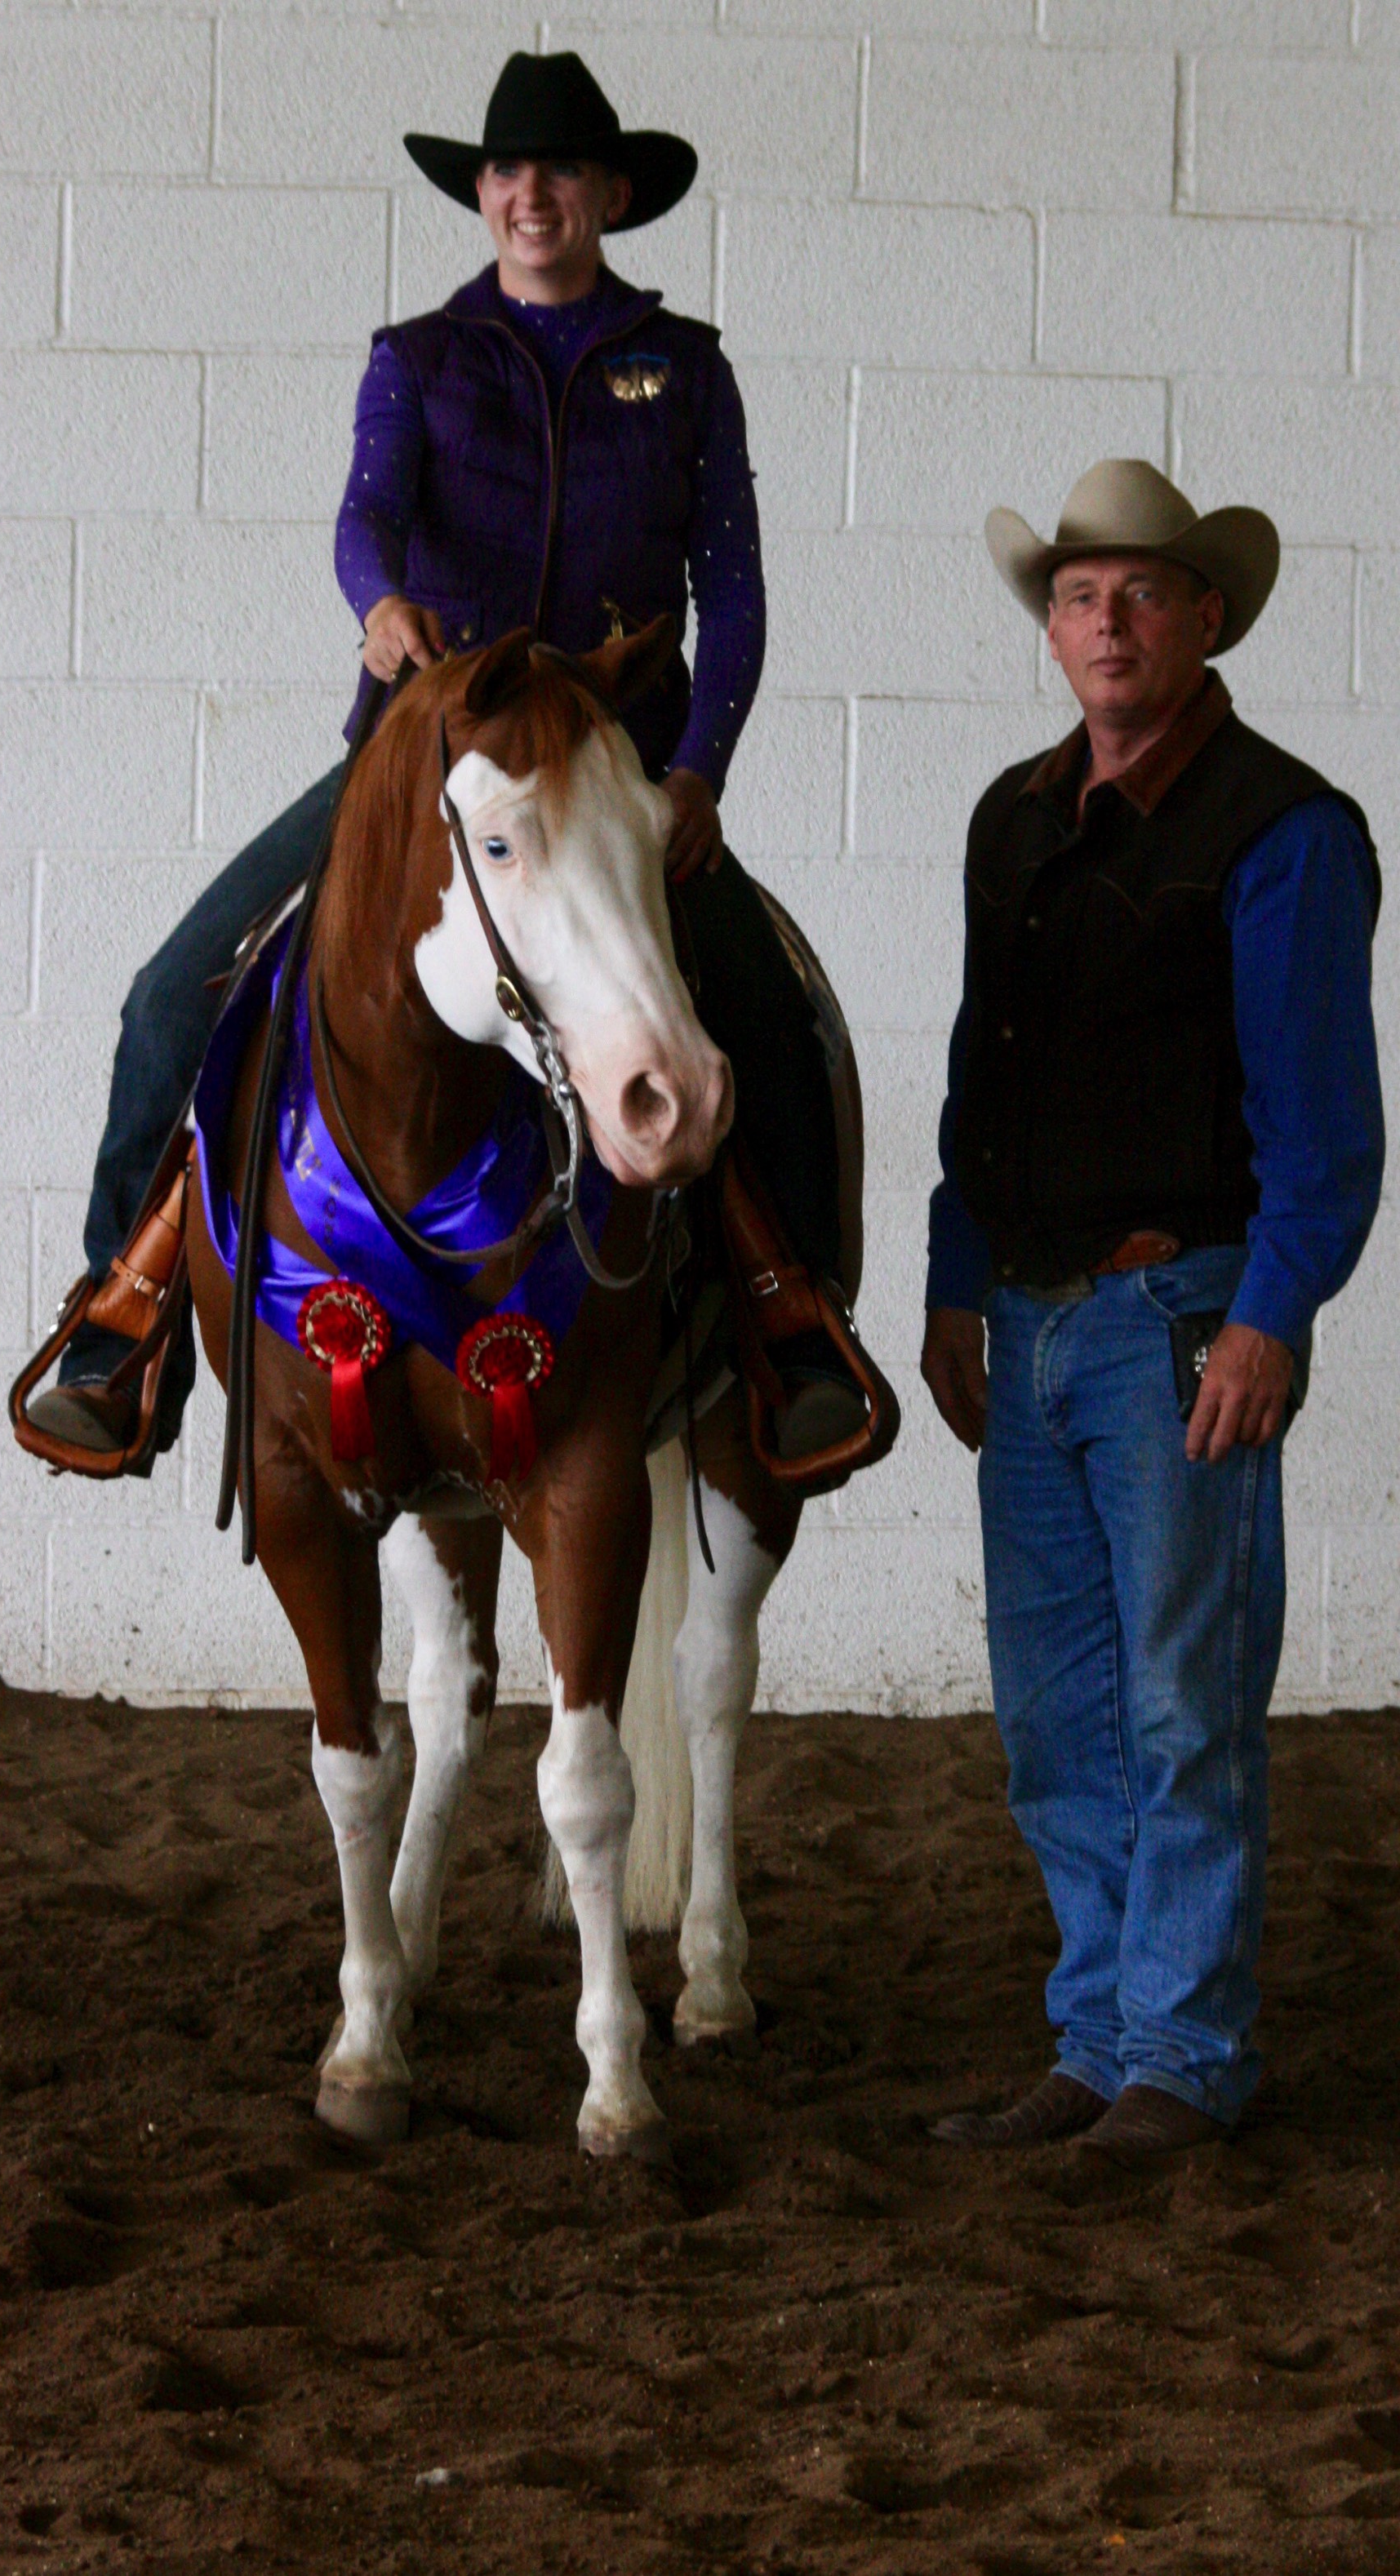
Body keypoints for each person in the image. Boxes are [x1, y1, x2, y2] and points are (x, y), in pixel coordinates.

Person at [25, 49, 846, 1464]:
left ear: (613, 194)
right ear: (482, 194)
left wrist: (695, 775)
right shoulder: (416, 357)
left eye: (563, 173)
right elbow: (364, 520)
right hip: (420, 769)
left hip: (611, 783)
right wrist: (379, 602)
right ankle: (127, 1302)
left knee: (765, 1012)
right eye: (509, 172)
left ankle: (795, 1319)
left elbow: (741, 594)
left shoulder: (686, 369)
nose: (534, 195)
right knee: (175, 995)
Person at [922, 459, 1383, 2163]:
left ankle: (1180, 2059)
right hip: (1031, 1314)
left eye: (1138, 595)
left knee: (1181, 1698)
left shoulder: (1282, 831)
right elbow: (987, 1075)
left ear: (1203, 620)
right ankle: (1101, 2032)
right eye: (1074, 595)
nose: (1104, 622)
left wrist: (1272, 1313)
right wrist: (952, 1278)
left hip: (1178, 1312)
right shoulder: (1015, 819)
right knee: (1057, 1708)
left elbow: (1321, 1120)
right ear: (1050, 628)